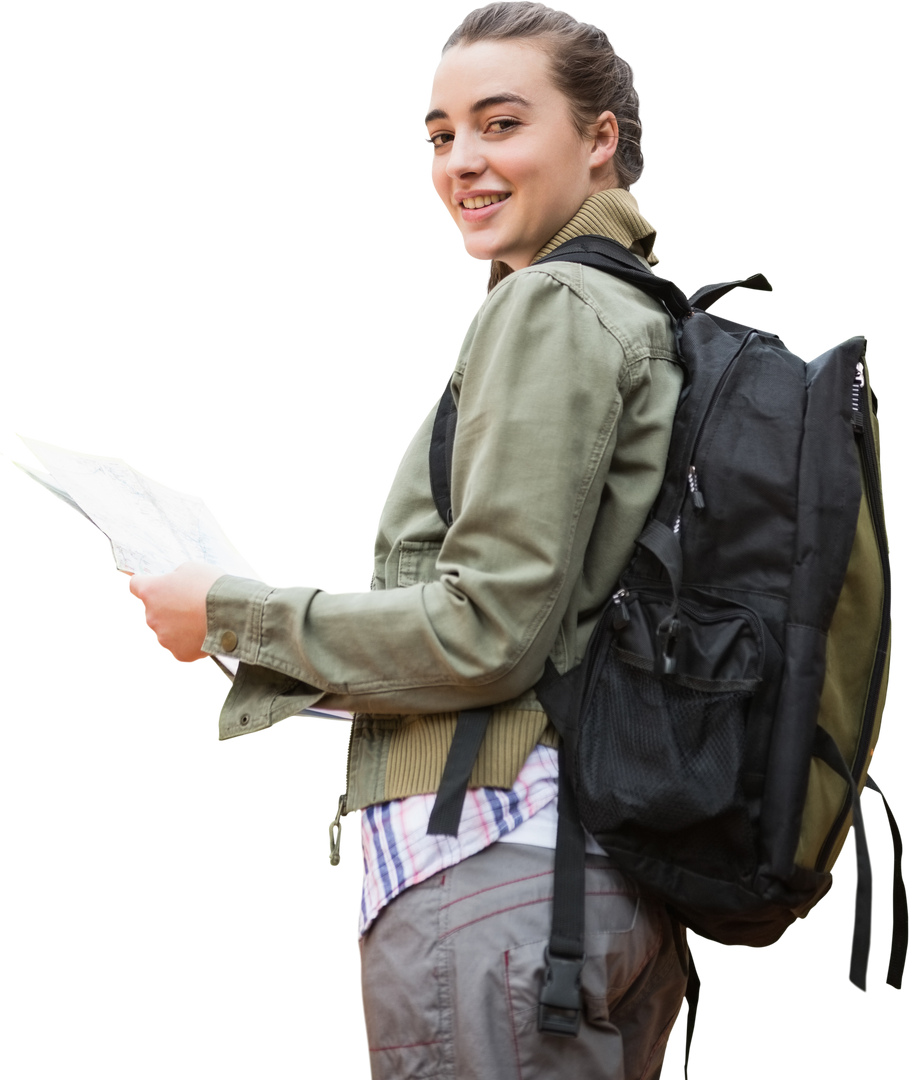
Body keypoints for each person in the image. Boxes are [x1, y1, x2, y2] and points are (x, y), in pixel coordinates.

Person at [125, 2, 690, 1076]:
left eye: (502, 123)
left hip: (493, 877)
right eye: (440, 136)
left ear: (600, 138)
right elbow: (547, 628)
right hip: (594, 885)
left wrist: (231, 615)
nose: (462, 163)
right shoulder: (648, 314)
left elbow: (491, 632)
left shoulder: (549, 308)